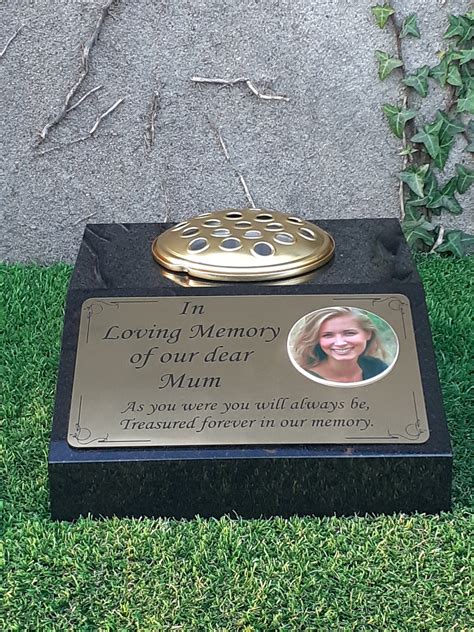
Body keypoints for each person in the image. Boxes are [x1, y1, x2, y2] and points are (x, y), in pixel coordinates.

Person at [292, 307, 389, 384]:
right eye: (328, 335)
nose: (340, 343)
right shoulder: (300, 379)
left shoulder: (377, 368)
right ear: (317, 339)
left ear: (368, 333)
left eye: (349, 333)